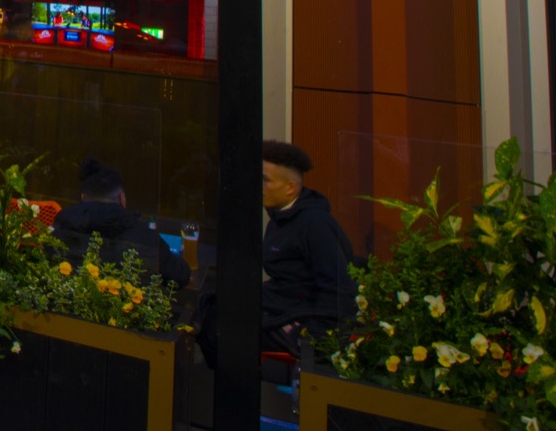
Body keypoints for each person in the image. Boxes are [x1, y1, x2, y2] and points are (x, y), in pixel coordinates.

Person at [196, 140, 355, 368]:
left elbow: (339, 291)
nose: (257, 185)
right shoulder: (279, 218)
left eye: (265, 180)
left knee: (222, 331)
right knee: (209, 309)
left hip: (302, 319)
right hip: (280, 305)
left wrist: (312, 338)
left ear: (290, 187)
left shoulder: (316, 225)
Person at [50, 160, 189, 289]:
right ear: (121, 198)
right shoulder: (145, 238)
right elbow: (180, 277)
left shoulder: (62, 229)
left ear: (83, 197)